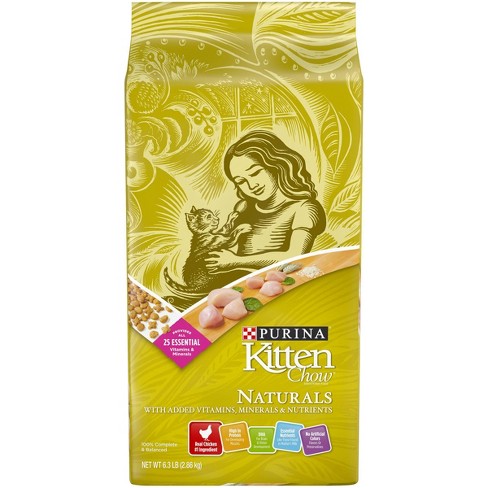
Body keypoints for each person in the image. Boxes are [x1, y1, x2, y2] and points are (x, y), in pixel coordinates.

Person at [206, 130, 326, 273]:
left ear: (276, 166)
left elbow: (296, 257)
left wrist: (235, 261)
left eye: (255, 173)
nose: (252, 185)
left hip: (283, 281)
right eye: (241, 181)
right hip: (244, 280)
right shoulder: (244, 207)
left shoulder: (304, 208)